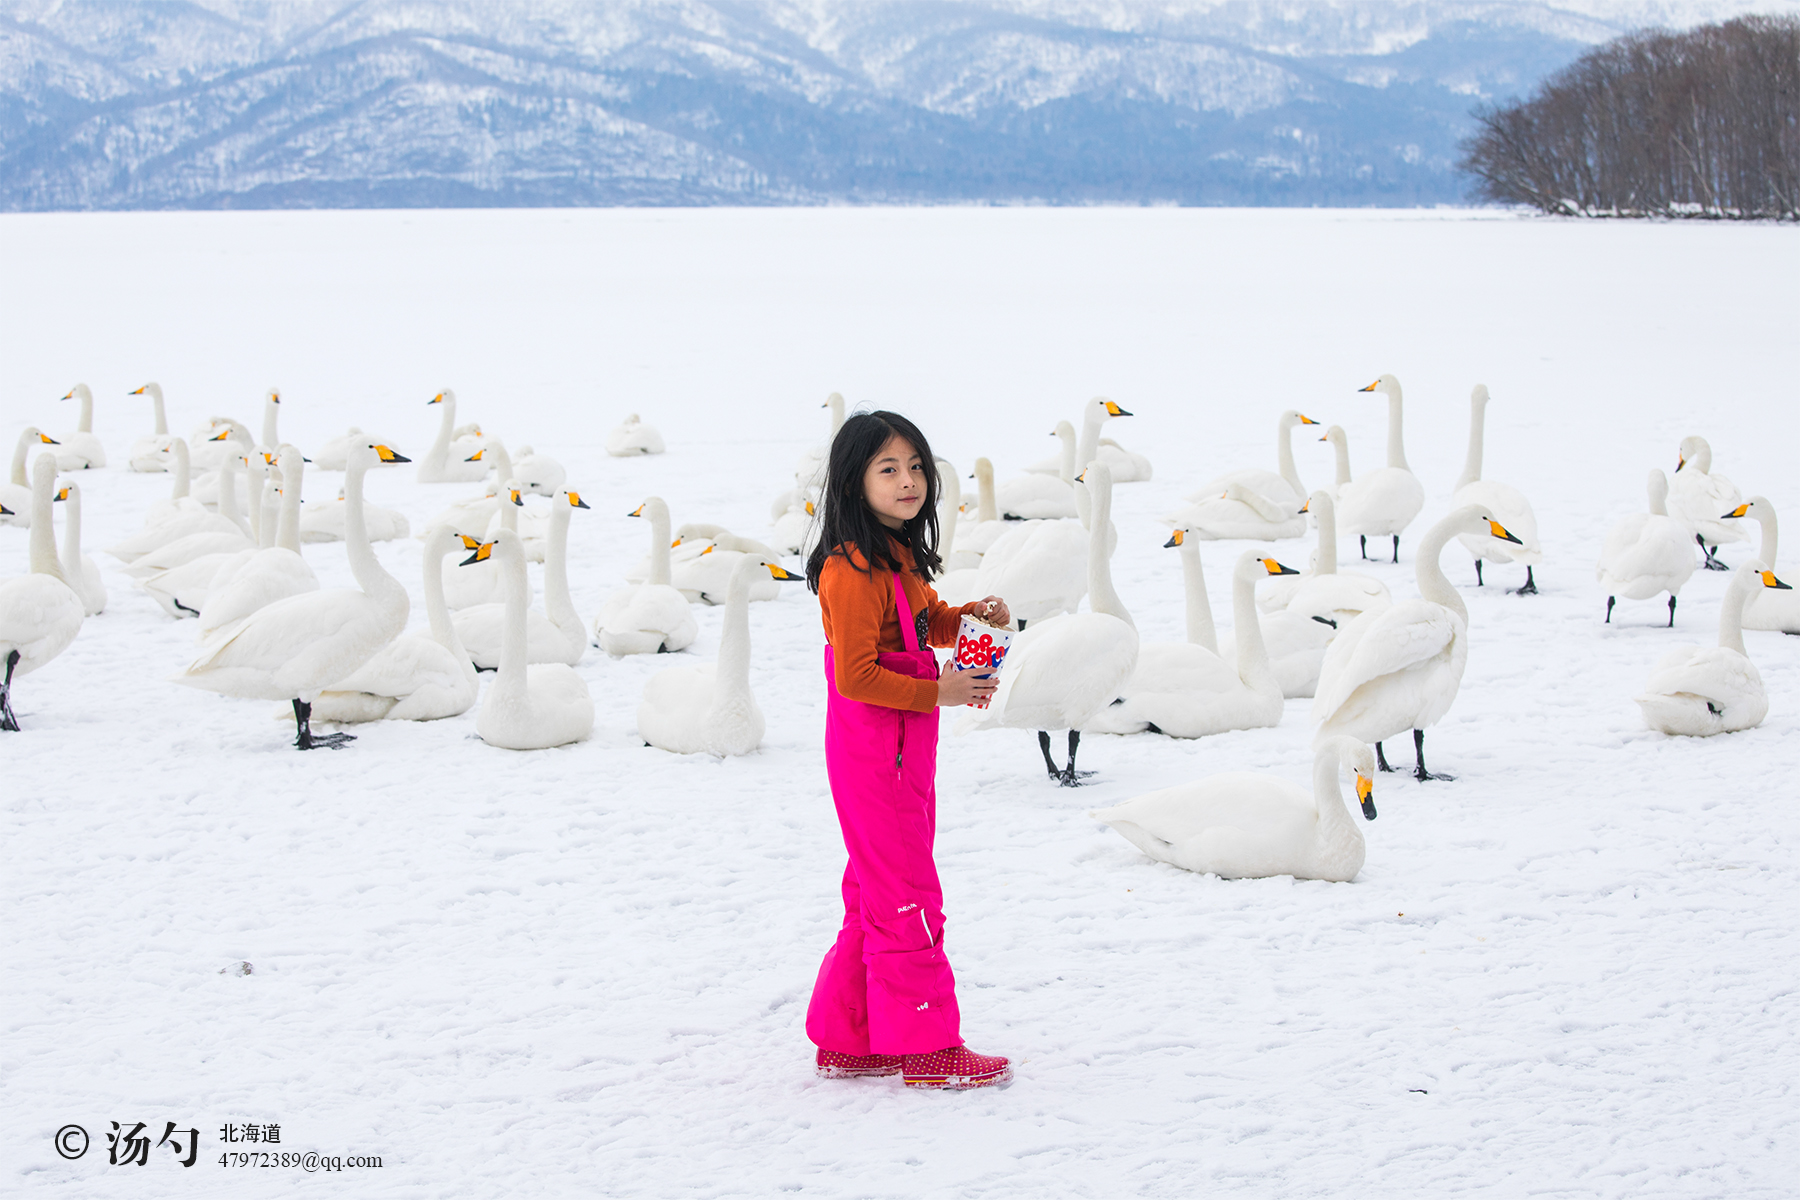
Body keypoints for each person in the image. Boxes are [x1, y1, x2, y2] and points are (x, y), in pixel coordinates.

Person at [804, 410, 1016, 1090]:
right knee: (907, 894)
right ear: (853, 481)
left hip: (898, 754)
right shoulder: (848, 571)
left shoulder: (892, 556)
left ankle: (852, 1038)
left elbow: (921, 620)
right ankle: (929, 1048)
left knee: (875, 888)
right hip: (878, 756)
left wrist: (969, 616)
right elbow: (857, 675)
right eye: (888, 469)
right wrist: (941, 693)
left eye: (916, 467)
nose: (908, 482)